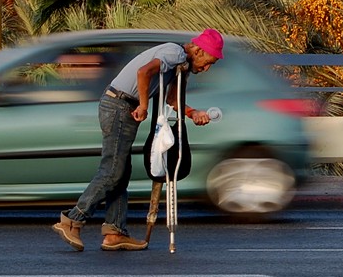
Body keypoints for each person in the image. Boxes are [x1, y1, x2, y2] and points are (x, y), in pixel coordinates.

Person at [52, 29, 223, 252]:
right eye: (207, 62)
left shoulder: (181, 65)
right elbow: (144, 72)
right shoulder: (176, 54)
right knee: (113, 171)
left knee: (121, 171)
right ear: (198, 50)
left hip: (120, 106)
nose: (206, 68)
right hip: (119, 106)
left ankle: (114, 233)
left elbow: (172, 99)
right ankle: (72, 220)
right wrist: (143, 105)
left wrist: (192, 113)